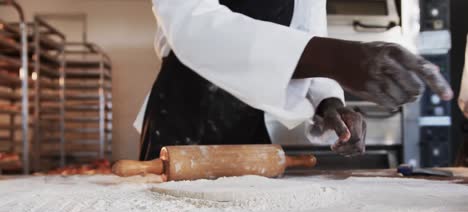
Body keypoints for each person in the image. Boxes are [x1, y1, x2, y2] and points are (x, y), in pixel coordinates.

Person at [135, 0, 453, 161]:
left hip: (250, 123)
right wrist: (338, 59)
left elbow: (307, 29)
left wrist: (328, 100)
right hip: (182, 119)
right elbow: (191, 23)